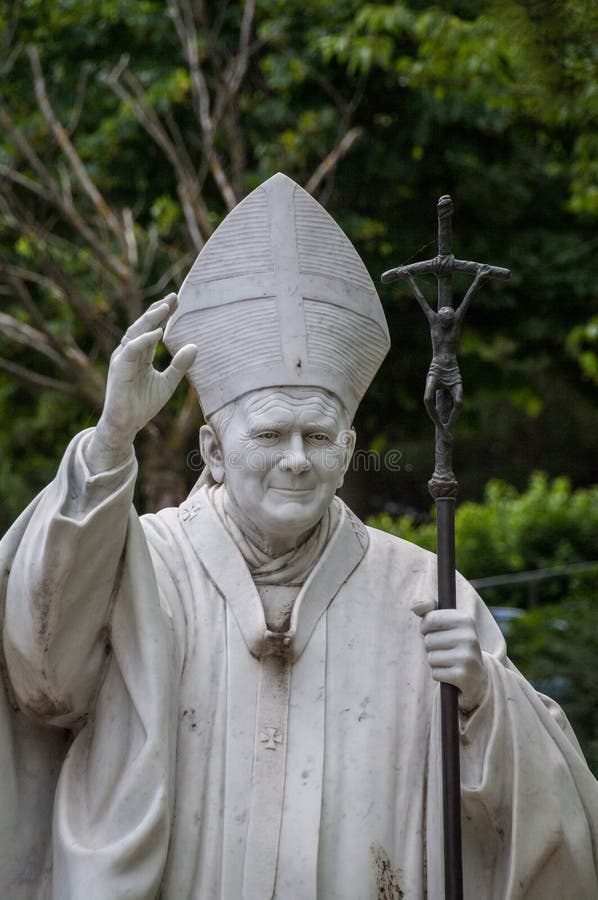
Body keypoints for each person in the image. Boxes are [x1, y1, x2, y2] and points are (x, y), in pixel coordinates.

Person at [1, 174, 597, 900]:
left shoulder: (421, 591)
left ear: (348, 453)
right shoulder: (142, 568)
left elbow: (561, 815)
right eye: (271, 433)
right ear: (215, 451)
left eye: (318, 435)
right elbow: (41, 675)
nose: (295, 458)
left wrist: (483, 699)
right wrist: (113, 438)